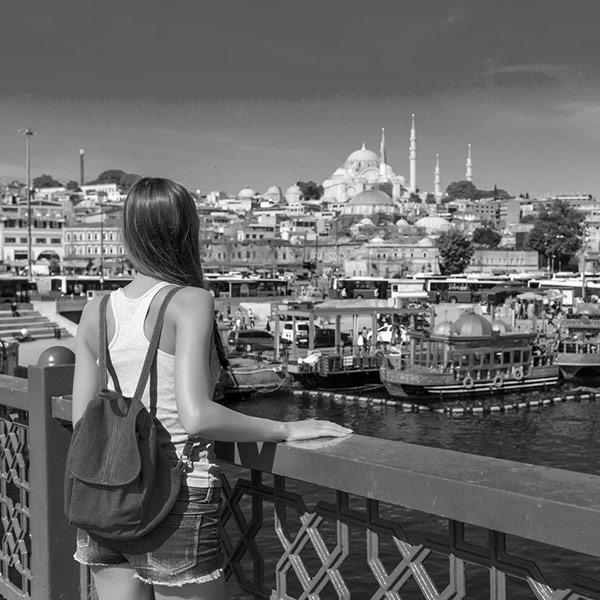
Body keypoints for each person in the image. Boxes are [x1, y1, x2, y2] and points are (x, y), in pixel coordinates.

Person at [71, 177, 352, 600]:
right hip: (176, 495)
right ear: (187, 232)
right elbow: (197, 415)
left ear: (127, 232)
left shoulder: (96, 310)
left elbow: (82, 422)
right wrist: (285, 430)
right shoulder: (189, 301)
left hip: (105, 498)